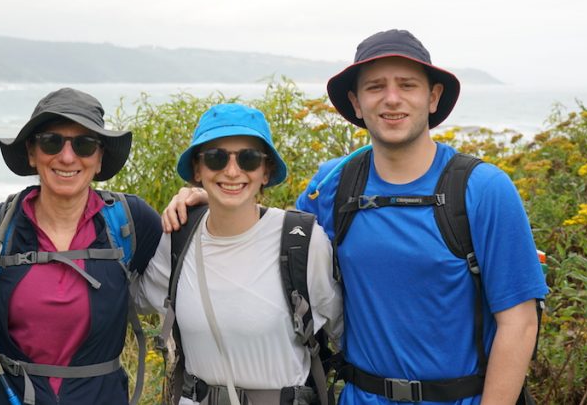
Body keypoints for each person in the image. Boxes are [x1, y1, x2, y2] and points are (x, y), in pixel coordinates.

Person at [165, 30, 548, 405]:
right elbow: (278, 243)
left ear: (433, 97)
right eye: (376, 87)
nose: (392, 99)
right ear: (356, 101)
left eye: (407, 85)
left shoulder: (482, 189)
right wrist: (215, 198)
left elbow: (519, 322)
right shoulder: (335, 184)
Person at [0, 87, 163, 405]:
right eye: (51, 142)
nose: (67, 157)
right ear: (31, 153)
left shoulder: (131, 222)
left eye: (84, 144)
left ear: (100, 156)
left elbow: (189, 268)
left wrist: (198, 201)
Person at [137, 103, 342, 405]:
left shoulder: (303, 242)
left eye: (248, 159)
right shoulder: (178, 239)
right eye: (216, 158)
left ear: (265, 170)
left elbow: (345, 331)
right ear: (198, 168)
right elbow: (128, 300)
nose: (232, 171)